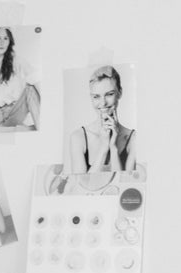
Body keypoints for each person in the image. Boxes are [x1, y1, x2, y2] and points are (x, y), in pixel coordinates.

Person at [51, 65, 142, 195]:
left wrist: (113, 148)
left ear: (120, 93)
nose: (103, 103)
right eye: (96, 97)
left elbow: (126, 190)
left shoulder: (133, 138)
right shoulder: (78, 137)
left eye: (109, 94)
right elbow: (84, 186)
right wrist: (104, 148)